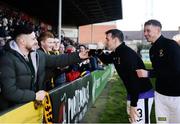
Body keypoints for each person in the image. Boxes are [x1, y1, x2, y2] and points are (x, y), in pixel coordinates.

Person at [0, 25, 89, 111]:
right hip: (12, 112)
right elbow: (9, 92)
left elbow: (58, 60)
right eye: (33, 39)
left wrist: (78, 56)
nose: (36, 41)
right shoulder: (7, 59)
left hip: (32, 109)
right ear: (22, 41)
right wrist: (34, 96)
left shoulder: (37, 55)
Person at [96, 29, 154, 124]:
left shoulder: (126, 54)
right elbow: (106, 60)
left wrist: (133, 104)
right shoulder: (117, 52)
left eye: (107, 39)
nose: (106, 42)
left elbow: (134, 80)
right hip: (134, 94)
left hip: (142, 94)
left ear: (115, 40)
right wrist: (98, 50)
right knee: (133, 122)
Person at [136, 19, 180, 123]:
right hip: (160, 96)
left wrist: (148, 73)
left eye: (148, 31)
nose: (145, 34)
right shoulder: (152, 49)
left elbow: (176, 70)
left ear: (158, 30)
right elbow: (159, 70)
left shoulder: (171, 45)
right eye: (144, 31)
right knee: (161, 121)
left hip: (176, 97)